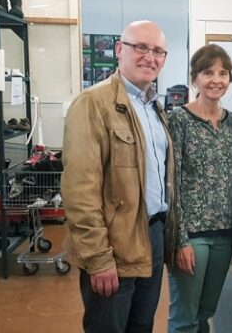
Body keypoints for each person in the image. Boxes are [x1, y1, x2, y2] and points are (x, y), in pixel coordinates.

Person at [61, 20, 176, 333]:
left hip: (152, 236)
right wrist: (98, 258)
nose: (149, 57)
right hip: (114, 243)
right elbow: (80, 190)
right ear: (119, 50)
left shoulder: (153, 106)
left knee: (141, 325)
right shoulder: (93, 104)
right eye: (140, 47)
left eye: (157, 51)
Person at [167, 44, 232, 333]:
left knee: (205, 312)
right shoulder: (178, 120)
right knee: (184, 317)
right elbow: (171, 184)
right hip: (191, 236)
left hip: (224, 234)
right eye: (208, 72)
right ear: (195, 77)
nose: (216, 79)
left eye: (223, 73)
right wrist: (180, 240)